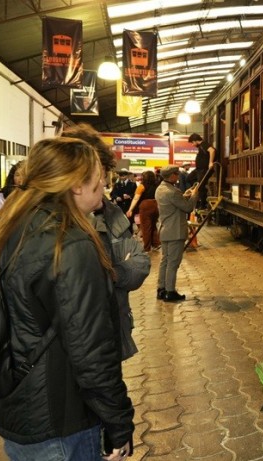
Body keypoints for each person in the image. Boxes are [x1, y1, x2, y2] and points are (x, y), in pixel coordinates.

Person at [0, 137, 134, 461]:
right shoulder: (70, 244)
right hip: (61, 422)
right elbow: (91, 350)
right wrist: (119, 422)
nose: (104, 183)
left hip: (20, 407)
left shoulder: (14, 225)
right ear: (76, 185)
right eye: (98, 176)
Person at [63, 123, 150, 361]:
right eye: (99, 175)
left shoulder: (110, 213)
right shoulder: (48, 227)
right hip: (74, 354)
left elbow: (140, 264)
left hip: (110, 332)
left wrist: (111, 273)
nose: (104, 183)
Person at [155, 165, 198, 302]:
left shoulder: (160, 189)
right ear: (171, 175)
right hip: (175, 231)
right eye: (176, 174)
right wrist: (194, 195)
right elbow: (188, 207)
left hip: (165, 230)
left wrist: (185, 195)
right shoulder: (173, 192)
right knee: (173, 263)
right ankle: (170, 291)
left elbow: (173, 201)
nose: (178, 176)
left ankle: (161, 289)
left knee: (165, 261)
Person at [126, 170, 161, 252]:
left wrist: (130, 209)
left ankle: (146, 247)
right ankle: (156, 244)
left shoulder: (141, 186)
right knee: (153, 226)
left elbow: (136, 198)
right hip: (156, 205)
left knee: (146, 227)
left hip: (145, 206)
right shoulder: (157, 185)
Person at [0, 161, 25, 230]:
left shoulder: (35, 196)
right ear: (12, 177)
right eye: (17, 175)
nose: (21, 179)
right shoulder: (0, 196)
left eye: (24, 175)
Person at [188, 133, 214, 209]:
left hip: (203, 169)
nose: (192, 145)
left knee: (201, 186)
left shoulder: (203, 144)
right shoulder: (201, 147)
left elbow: (212, 150)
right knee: (189, 178)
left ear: (195, 140)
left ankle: (203, 205)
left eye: (192, 143)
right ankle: (198, 189)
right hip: (198, 169)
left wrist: (211, 162)